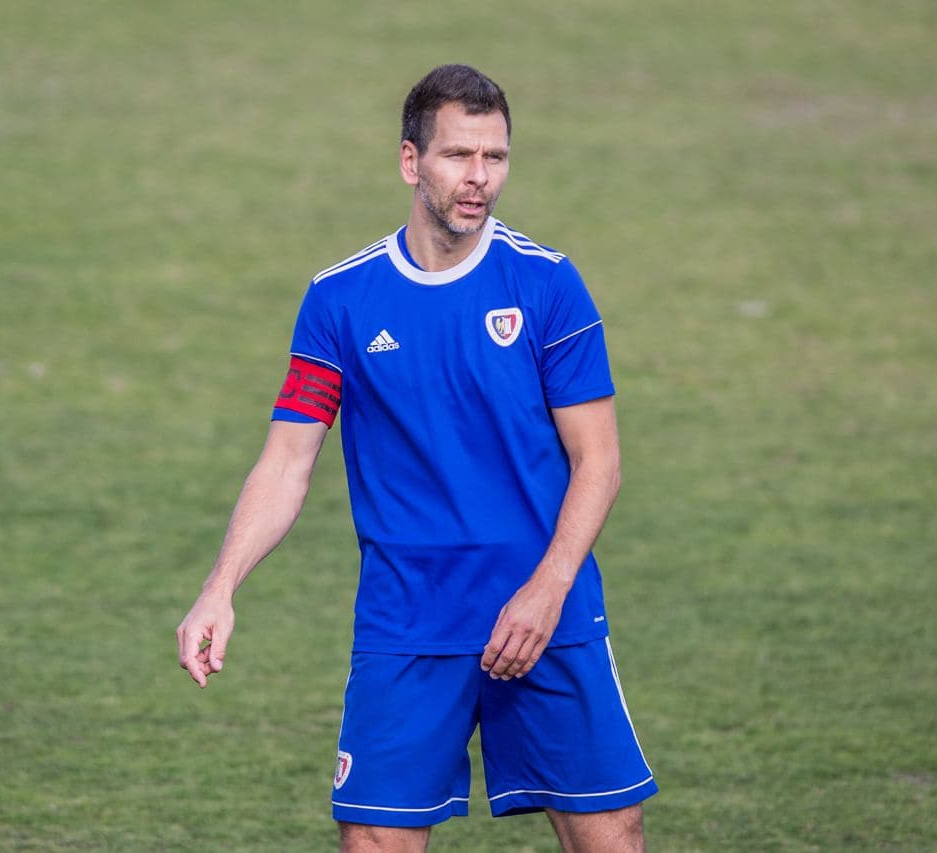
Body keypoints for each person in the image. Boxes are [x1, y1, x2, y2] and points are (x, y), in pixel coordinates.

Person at [176, 64, 656, 852]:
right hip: (408, 621)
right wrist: (220, 586)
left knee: (611, 835)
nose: (479, 178)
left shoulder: (548, 284)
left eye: (495, 157)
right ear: (411, 161)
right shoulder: (340, 299)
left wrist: (547, 590)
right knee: (375, 841)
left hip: (545, 612)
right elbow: (287, 461)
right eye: (459, 155)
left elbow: (598, 460)